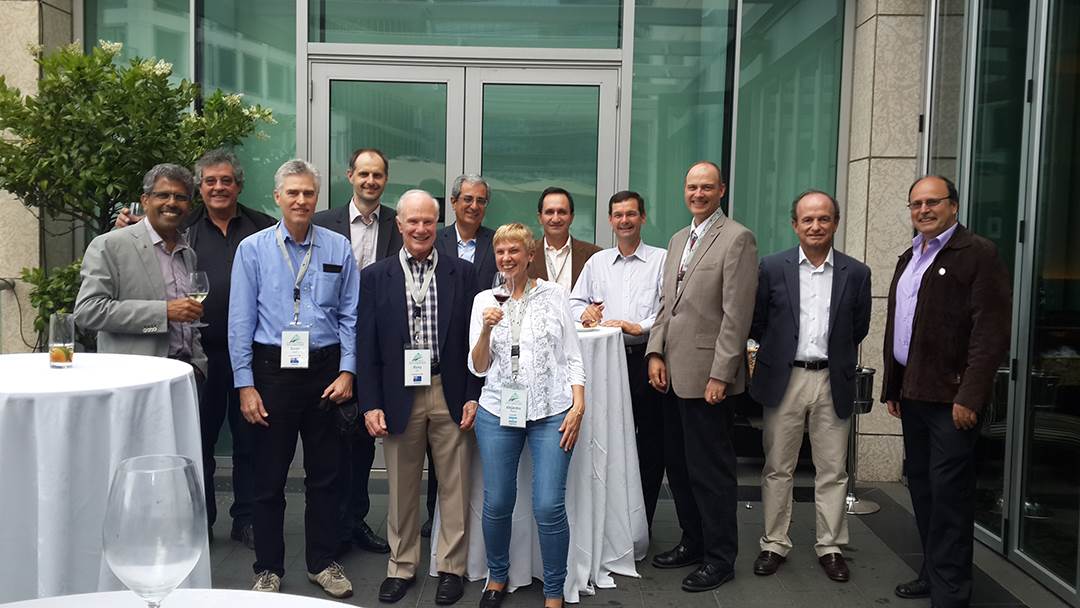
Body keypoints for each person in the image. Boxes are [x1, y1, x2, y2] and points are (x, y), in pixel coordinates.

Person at [117, 149, 275, 550]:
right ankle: (200, 520)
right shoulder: (180, 228)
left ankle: (247, 519)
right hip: (198, 356)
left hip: (251, 357)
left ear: (239, 185)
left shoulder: (263, 227)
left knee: (250, 443)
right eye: (210, 182)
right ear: (200, 189)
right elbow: (142, 247)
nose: (219, 188)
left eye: (226, 181)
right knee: (197, 441)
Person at [229, 159, 358, 598]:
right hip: (271, 372)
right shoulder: (254, 249)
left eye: (308, 193)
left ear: (317, 197)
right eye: (293, 193)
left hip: (325, 371)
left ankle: (322, 562)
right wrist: (245, 384)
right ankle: (268, 566)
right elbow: (240, 320)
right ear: (278, 197)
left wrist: (348, 370)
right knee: (269, 477)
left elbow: (350, 316)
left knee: (326, 475)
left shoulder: (339, 247)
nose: (301, 200)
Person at [883, 175, 1010, 608]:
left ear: (953, 206)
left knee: (950, 497)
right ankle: (932, 572)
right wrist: (893, 387)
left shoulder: (977, 254)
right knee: (922, 489)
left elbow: (989, 334)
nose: (923, 210)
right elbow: (900, 329)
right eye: (916, 203)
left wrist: (970, 398)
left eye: (933, 202)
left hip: (951, 401)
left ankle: (952, 593)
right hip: (915, 395)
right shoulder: (910, 256)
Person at [357, 190, 480, 605]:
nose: (421, 229)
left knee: (455, 486)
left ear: (437, 224)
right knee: (402, 488)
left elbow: (476, 339)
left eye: (428, 221)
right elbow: (366, 346)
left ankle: (450, 568)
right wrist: (370, 402)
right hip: (398, 395)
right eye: (413, 221)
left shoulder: (462, 274)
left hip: (450, 389)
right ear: (400, 225)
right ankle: (401, 566)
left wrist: (474, 395)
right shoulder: (376, 276)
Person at [748, 190, 871, 583]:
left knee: (832, 469)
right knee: (777, 467)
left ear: (835, 222)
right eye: (807, 220)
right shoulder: (771, 267)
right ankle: (774, 543)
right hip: (785, 378)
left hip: (832, 379)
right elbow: (758, 322)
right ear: (794, 224)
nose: (815, 226)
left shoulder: (857, 272)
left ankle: (830, 545)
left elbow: (859, 327)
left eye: (823, 219)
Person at [646, 161, 757, 592]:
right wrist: (655, 351)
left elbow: (736, 315)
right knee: (681, 468)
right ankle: (692, 542)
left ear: (721, 190)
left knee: (711, 473)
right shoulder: (678, 239)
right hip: (672, 376)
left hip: (709, 380)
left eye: (706, 187)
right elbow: (666, 305)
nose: (698, 193)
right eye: (692, 186)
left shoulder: (737, 239)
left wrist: (721, 374)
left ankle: (720, 558)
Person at [469, 223, 586, 608]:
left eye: (514, 251)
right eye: (501, 252)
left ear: (529, 255)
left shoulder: (555, 295)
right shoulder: (486, 299)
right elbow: (478, 367)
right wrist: (485, 331)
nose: (507, 258)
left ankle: (554, 591)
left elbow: (572, 355)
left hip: (552, 411)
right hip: (498, 410)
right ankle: (497, 577)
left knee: (548, 504)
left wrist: (578, 404)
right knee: (498, 500)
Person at [313, 147, 400, 556]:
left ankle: (355, 520)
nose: (370, 181)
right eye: (363, 174)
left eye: (377, 175)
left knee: (364, 442)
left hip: (378, 348)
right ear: (350, 176)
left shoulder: (398, 226)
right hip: (330, 346)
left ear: (385, 180)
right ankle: (328, 525)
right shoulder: (321, 223)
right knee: (328, 444)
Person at [569, 190, 667, 528]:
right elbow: (573, 302)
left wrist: (637, 326)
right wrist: (585, 314)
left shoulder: (661, 259)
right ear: (610, 220)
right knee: (606, 438)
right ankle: (608, 522)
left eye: (631, 214)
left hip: (646, 358)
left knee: (650, 444)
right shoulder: (597, 262)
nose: (624, 220)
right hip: (607, 363)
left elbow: (670, 310)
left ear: (642, 217)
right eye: (618, 215)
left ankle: (641, 525)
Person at [418, 173, 497, 539]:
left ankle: (473, 520)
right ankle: (435, 519)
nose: (474, 206)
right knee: (441, 444)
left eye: (481, 200)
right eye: (467, 199)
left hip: (487, 349)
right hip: (443, 351)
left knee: (477, 438)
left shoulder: (497, 242)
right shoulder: (436, 239)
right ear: (453, 203)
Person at [75, 163, 207, 378]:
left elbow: (190, 320)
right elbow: (88, 311)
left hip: (186, 375)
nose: (172, 203)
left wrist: (199, 364)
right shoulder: (110, 245)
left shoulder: (187, 253)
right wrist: (162, 313)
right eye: (163, 195)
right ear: (145, 201)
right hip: (136, 378)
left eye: (180, 197)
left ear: (189, 206)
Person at [527, 186, 601, 290]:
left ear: (571, 218)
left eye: (562, 212)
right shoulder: (525, 254)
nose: (556, 219)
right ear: (540, 218)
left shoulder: (594, 255)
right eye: (549, 212)